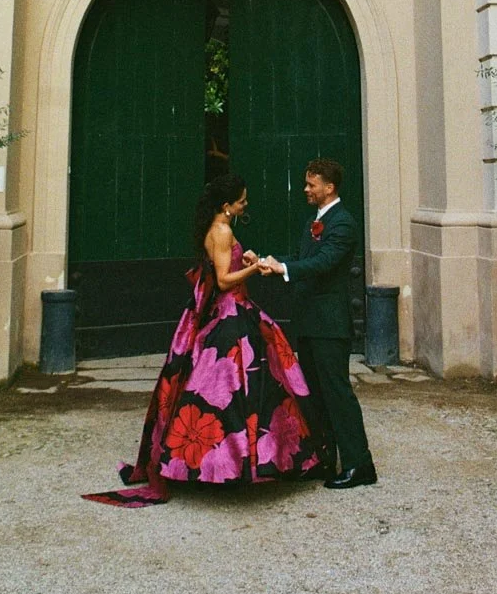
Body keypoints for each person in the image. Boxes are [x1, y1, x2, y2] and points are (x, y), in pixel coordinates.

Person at [83, 172, 321, 508]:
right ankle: (234, 463)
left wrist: (247, 257)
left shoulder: (219, 227)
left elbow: (224, 266)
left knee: (225, 391)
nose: (246, 204)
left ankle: (227, 461)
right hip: (229, 315)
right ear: (227, 206)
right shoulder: (222, 230)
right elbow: (224, 281)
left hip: (231, 312)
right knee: (234, 389)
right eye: (242, 200)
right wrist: (255, 269)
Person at [259, 159, 377, 490]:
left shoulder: (343, 224)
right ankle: (325, 459)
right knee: (315, 395)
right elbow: (305, 259)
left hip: (330, 324)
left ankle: (360, 464)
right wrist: (272, 263)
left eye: (312, 184)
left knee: (337, 394)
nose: (306, 189)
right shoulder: (314, 220)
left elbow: (324, 263)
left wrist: (283, 269)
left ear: (330, 187)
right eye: (307, 183)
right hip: (310, 322)